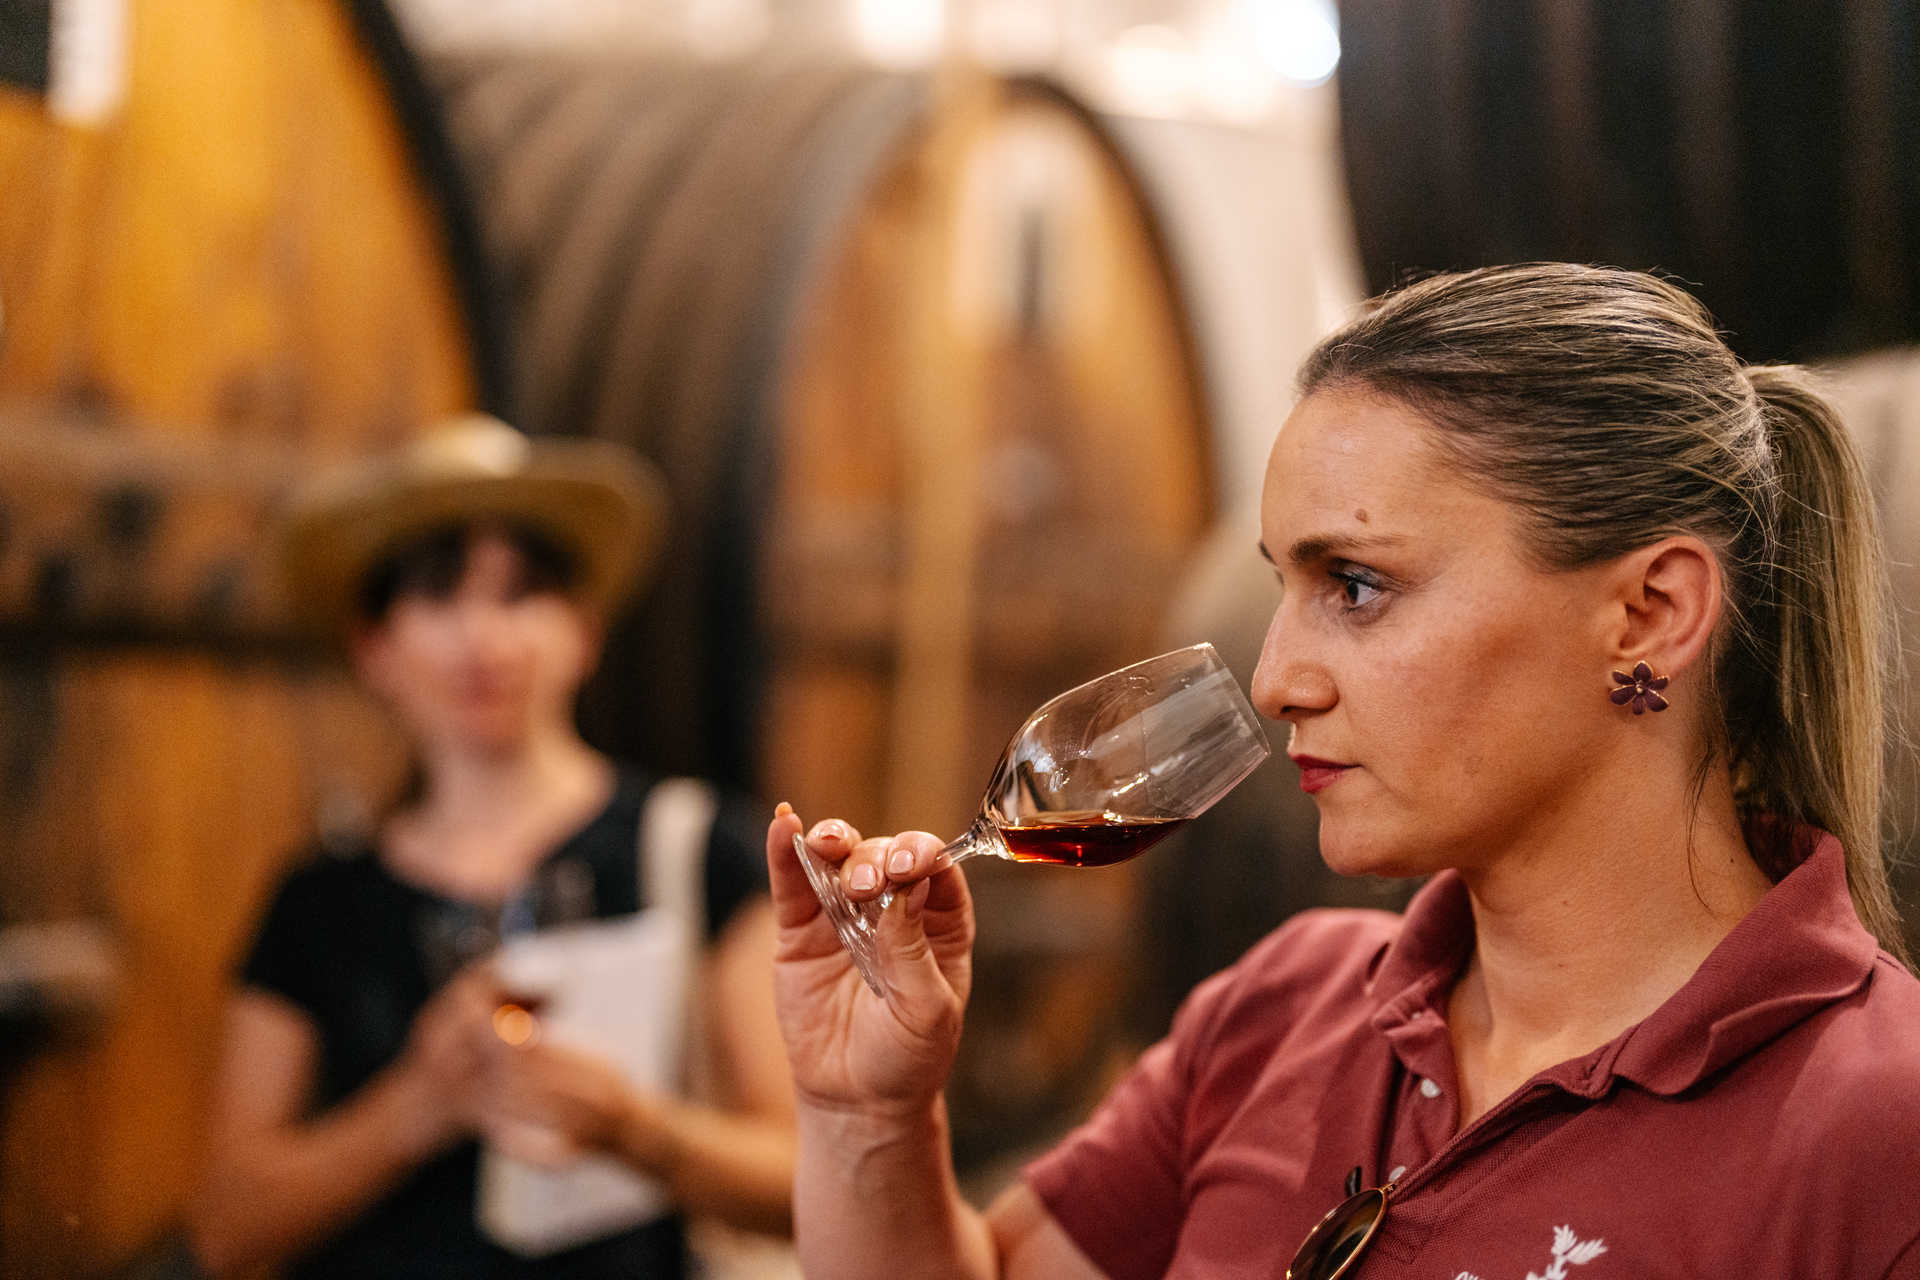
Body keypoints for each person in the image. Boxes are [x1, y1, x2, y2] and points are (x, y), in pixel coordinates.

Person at [765, 265, 1920, 1279]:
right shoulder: (1284, 1007)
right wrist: (866, 1110)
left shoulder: (1877, 1123)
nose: (1274, 680)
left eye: (1356, 586)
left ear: (1648, 613)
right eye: (1284, 585)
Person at [190, 417, 795, 1278]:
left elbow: (809, 1182)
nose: (482, 639)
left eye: (520, 594)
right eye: (439, 597)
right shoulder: (320, 902)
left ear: (584, 632)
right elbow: (226, 1232)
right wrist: (417, 1106)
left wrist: (633, 1129)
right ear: (375, 647)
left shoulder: (696, 848)